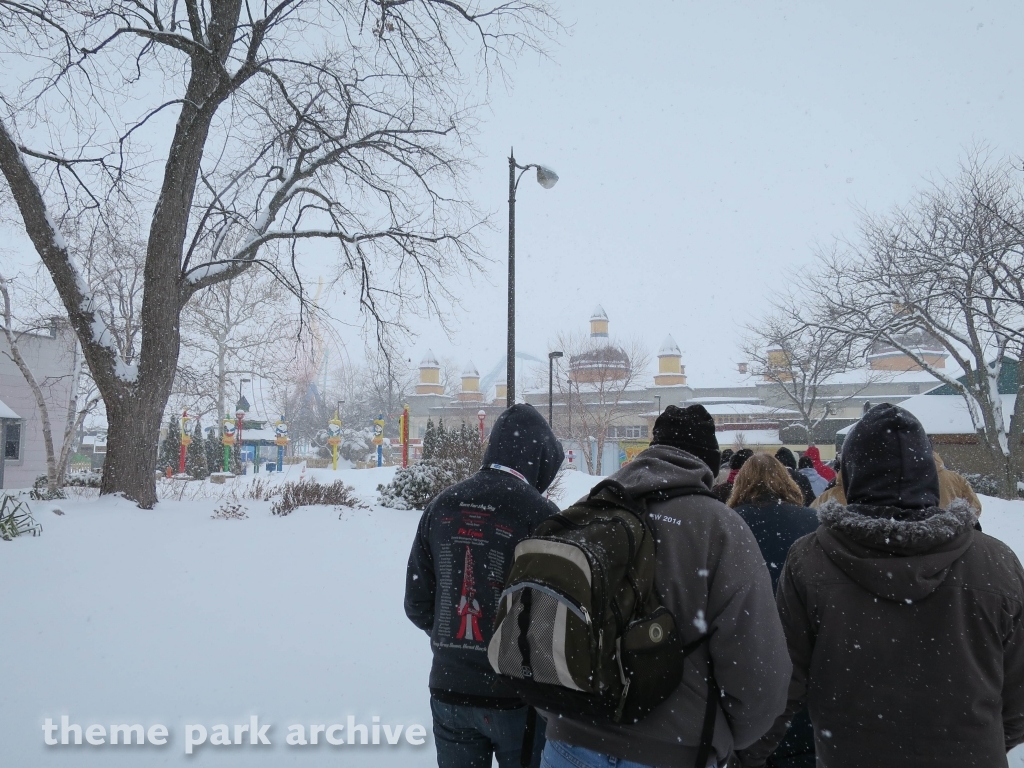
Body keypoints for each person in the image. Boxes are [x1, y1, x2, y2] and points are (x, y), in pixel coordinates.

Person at [738, 403, 1024, 768]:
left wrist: (747, 753)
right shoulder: (995, 562)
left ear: (854, 473)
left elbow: (782, 683)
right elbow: (1018, 701)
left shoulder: (810, 559)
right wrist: (974, 743)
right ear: (928, 473)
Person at [541, 404, 791, 768]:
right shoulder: (720, 528)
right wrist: (729, 737)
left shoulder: (592, 506)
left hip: (569, 742)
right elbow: (757, 669)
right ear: (706, 463)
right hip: (674, 750)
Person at [405, 404, 564, 768]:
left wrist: (455, 640)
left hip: (448, 690)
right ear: (538, 459)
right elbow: (554, 615)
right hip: (516, 699)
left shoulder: (441, 505)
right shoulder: (542, 515)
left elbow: (417, 603)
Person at [728, 454, 818, 768]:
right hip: (807, 678)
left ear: (740, 483)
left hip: (746, 669)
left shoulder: (728, 524)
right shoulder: (814, 524)